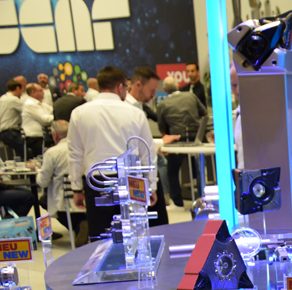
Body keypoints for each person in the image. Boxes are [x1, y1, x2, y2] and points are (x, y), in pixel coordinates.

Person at [68, 66, 157, 241]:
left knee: (101, 237)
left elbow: (75, 154)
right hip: (131, 180)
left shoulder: (79, 113)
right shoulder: (136, 113)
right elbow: (147, 153)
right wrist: (151, 185)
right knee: (135, 236)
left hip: (97, 181)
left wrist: (76, 187)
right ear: (119, 86)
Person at [126, 67, 179, 214]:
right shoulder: (127, 110)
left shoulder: (139, 107)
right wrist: (161, 142)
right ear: (138, 85)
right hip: (136, 172)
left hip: (144, 171)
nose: (153, 95)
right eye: (151, 90)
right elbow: (135, 145)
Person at [157, 76, 206, 206]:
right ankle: (203, 196)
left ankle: (178, 202)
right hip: (197, 139)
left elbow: (162, 129)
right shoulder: (191, 96)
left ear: (164, 89)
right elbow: (204, 113)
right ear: (178, 85)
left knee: (172, 171)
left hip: (177, 141)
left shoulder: (163, 104)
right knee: (200, 168)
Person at [36, 120, 87, 244]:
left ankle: (78, 226)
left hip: (63, 199)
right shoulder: (84, 149)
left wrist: (38, 171)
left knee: (44, 199)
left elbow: (42, 182)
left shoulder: (52, 152)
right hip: (86, 196)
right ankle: (82, 224)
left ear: (55, 135)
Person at [22, 83, 53, 158]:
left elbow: (53, 111)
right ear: (33, 92)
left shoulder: (41, 104)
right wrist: (56, 117)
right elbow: (44, 120)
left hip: (42, 136)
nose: (43, 92)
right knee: (41, 158)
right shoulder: (30, 104)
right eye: (41, 90)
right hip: (34, 138)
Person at [0, 79, 25, 158]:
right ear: (17, 88)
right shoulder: (14, 100)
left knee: (12, 156)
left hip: (3, 132)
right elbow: (27, 111)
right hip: (11, 133)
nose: (21, 94)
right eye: (21, 91)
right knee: (27, 154)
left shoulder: (2, 98)